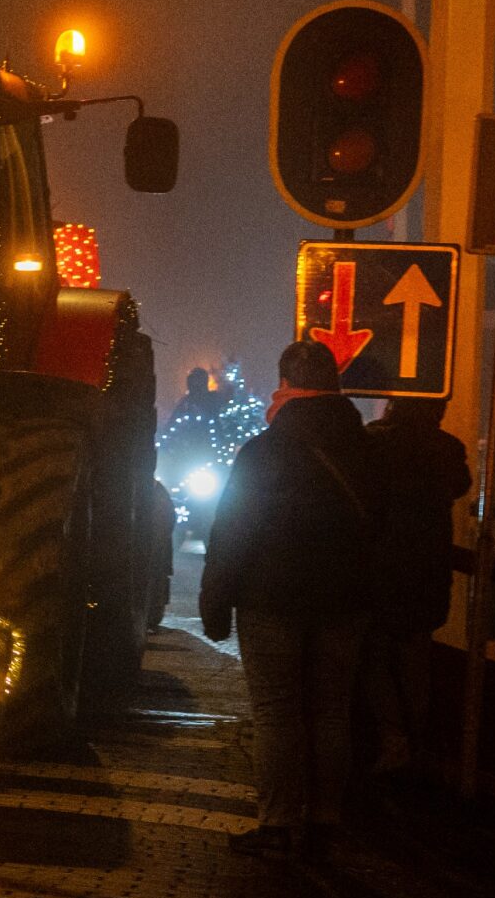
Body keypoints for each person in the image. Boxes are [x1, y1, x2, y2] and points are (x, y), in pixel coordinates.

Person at [200, 340, 379, 861]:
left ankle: (278, 825)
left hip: (270, 600)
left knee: (277, 713)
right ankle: (326, 823)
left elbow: (233, 531)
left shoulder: (264, 451)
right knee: (331, 711)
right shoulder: (368, 452)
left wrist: (216, 601)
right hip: (346, 601)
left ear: (285, 385)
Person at [362, 398, 474, 780]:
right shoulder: (446, 449)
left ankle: (394, 739)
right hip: (427, 572)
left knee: (374, 658)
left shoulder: (374, 443)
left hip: (379, 571)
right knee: (415, 662)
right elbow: (460, 486)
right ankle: (417, 743)